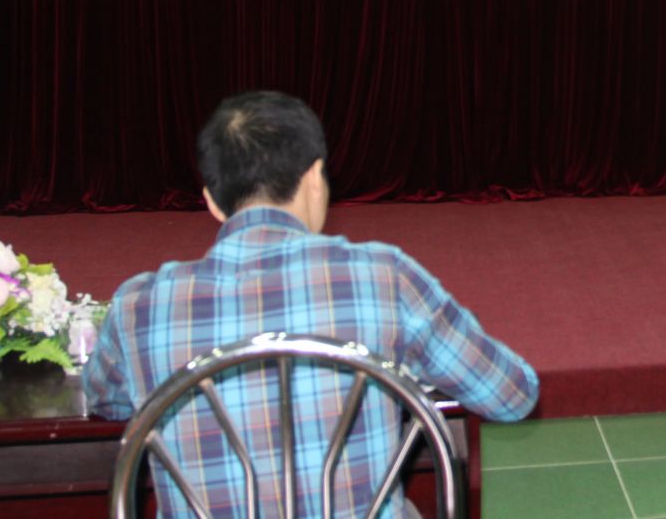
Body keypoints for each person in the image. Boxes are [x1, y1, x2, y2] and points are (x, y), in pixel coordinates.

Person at [84, 90, 539, 518]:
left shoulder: (137, 305)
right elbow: (512, 395)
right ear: (315, 179)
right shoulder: (384, 277)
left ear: (212, 203)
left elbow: (106, 400)